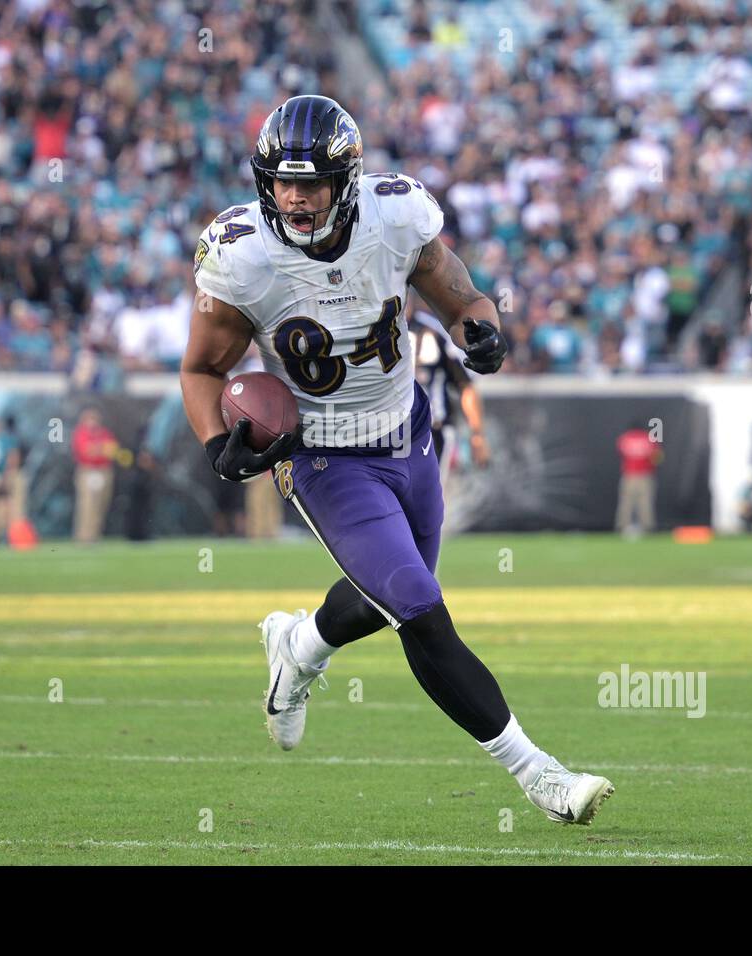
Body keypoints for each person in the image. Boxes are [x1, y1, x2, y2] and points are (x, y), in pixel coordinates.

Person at [180, 95, 612, 826]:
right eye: (282, 182)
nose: (293, 196)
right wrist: (215, 445)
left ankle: (298, 645)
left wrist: (483, 334)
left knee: (390, 596)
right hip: (322, 459)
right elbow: (200, 371)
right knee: (418, 606)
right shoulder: (241, 253)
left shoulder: (398, 215)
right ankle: (538, 774)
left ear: (345, 180)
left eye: (310, 183)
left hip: (408, 438)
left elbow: (464, 298)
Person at [407, 302, 490, 482]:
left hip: (432, 430)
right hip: (383, 431)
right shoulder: (367, 332)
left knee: (426, 500)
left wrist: (477, 435)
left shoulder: (433, 332)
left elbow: (465, 385)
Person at [72, 407, 118, 542]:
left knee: (101, 505)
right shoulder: (81, 433)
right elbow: (85, 451)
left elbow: (111, 450)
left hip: (103, 471)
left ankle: (95, 535)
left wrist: (98, 449)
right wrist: (100, 449)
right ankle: (84, 536)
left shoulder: (104, 433)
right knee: (87, 505)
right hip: (87, 471)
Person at [615, 420, 662, 536]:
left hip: (629, 475)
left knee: (626, 502)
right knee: (645, 502)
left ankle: (622, 526)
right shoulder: (649, 439)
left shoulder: (624, 438)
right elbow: (657, 457)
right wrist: (652, 466)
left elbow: (620, 453)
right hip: (645, 475)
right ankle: (648, 527)